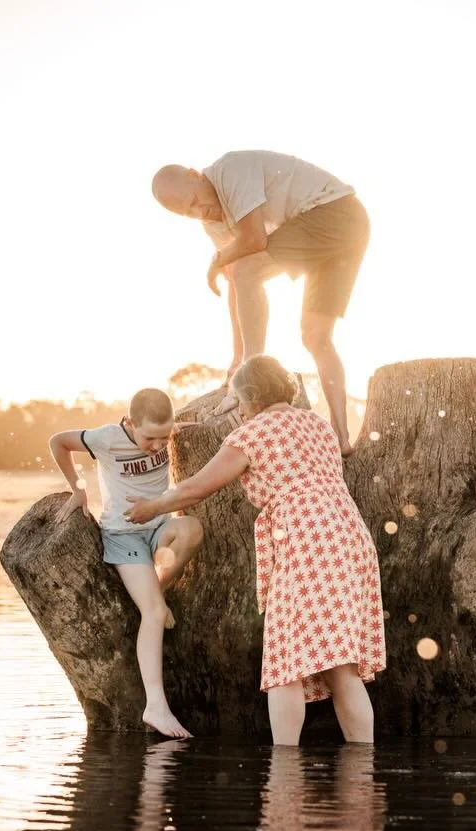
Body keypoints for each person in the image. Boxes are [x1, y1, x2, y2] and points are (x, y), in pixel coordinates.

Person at [125, 356, 385, 745]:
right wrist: (245, 417)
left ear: (249, 396)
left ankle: (285, 770)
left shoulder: (252, 435)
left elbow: (197, 487)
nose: (236, 406)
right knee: (341, 666)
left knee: (286, 663)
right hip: (348, 535)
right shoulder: (317, 425)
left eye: (237, 398)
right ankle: (362, 773)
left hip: (305, 540)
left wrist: (153, 507)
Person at [151, 151, 370, 455]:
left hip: (336, 214)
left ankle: (252, 368)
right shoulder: (213, 222)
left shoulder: (230, 171)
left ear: (195, 174)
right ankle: (341, 438)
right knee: (315, 337)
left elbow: (254, 240)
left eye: (195, 200)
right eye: (189, 213)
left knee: (245, 269)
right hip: (336, 235)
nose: (200, 211)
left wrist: (218, 260)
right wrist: (235, 356)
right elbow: (236, 281)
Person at [49, 388, 203, 738]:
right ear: (130, 423)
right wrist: (78, 488)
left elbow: (185, 427)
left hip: (159, 527)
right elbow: (58, 441)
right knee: (152, 614)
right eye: (149, 437)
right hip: (124, 537)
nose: (157, 444)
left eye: (165, 436)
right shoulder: (106, 438)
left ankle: (157, 592)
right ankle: (156, 707)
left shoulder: (164, 432)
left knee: (192, 529)